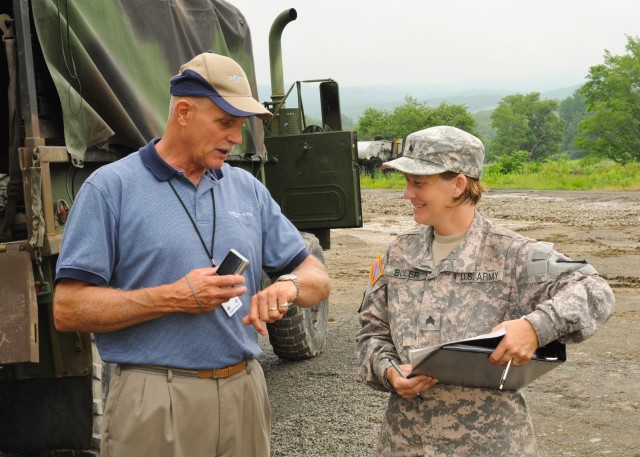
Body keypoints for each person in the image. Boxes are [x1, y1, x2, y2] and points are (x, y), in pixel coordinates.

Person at [53, 52, 330, 457]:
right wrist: (171, 298)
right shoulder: (110, 189)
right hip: (154, 397)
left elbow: (317, 277)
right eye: (225, 122)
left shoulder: (247, 189)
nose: (237, 138)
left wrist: (289, 285)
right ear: (183, 111)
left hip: (245, 392)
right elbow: (68, 308)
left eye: (241, 125)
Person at [356, 125, 614, 456]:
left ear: (458, 185)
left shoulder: (513, 254)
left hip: (490, 445)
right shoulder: (397, 254)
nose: (408, 193)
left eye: (418, 182)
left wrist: (535, 328)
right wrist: (388, 371)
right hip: (405, 443)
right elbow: (371, 335)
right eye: (407, 182)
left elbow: (595, 290)